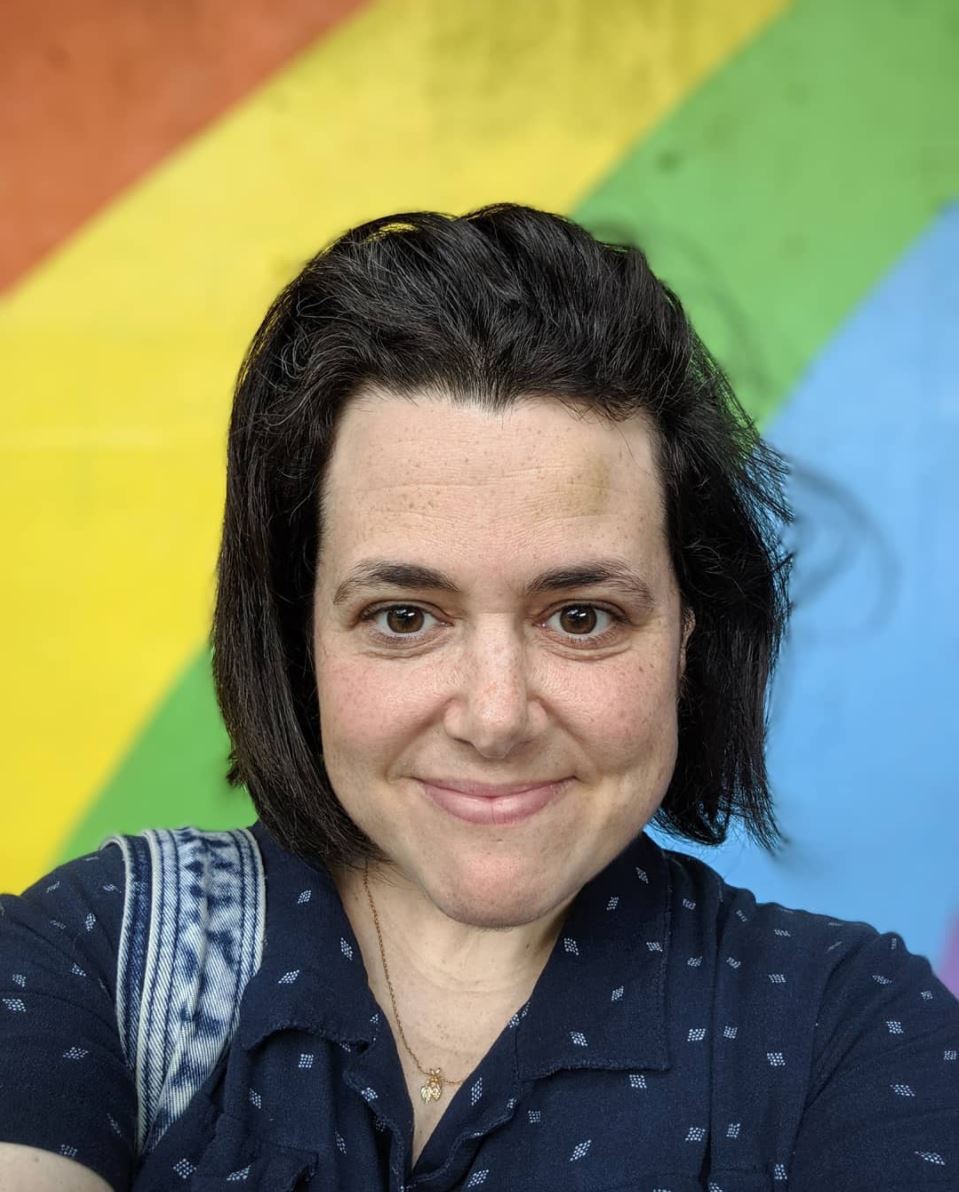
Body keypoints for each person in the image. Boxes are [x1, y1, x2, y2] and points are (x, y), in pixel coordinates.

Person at [1, 203, 957, 1192]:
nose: (495, 717)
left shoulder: (848, 1032)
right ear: (297, 634)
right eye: (405, 617)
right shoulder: (94, 956)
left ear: (688, 631)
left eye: (580, 616)